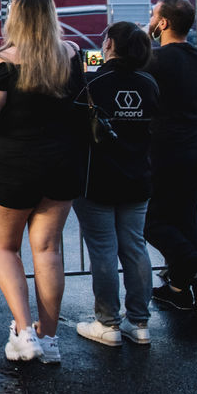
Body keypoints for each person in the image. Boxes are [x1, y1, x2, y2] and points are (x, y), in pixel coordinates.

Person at [0, 0, 86, 365]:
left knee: (5, 248)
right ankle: (49, 339)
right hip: (63, 164)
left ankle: (23, 334)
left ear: (15, 18)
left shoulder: (1, 63)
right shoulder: (71, 55)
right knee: (48, 251)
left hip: (16, 168)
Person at [73, 22, 159, 347]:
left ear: (108, 44)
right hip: (137, 178)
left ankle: (107, 322)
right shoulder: (149, 83)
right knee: (135, 247)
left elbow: (72, 125)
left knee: (103, 251)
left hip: (97, 179)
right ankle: (139, 322)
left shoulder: (93, 82)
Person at [143, 0, 197, 314]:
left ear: (163, 23)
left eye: (153, 16)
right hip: (196, 149)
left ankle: (195, 267)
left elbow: (125, 64)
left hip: (168, 151)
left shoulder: (157, 59)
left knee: (150, 221)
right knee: (185, 221)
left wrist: (144, 35)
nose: (151, 19)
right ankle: (179, 289)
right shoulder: (196, 57)